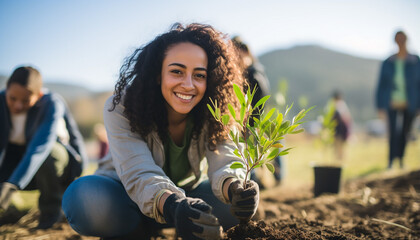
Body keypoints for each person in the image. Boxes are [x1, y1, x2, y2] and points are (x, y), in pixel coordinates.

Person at [62, 23, 260, 239]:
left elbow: (226, 158)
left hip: (186, 198)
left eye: (199, 75)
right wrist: (174, 206)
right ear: (158, 74)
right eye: (177, 71)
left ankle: (179, 221)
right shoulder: (122, 107)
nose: (188, 84)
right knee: (83, 199)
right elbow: (138, 172)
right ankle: (134, 226)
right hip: (126, 197)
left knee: (231, 209)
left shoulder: (217, 109)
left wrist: (235, 189)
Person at [0, 66, 87, 229]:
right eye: (12, 98)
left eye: (25, 101)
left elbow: (39, 148)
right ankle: (8, 209)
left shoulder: (52, 104)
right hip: (15, 162)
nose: (18, 105)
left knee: (50, 154)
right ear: (6, 90)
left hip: (50, 165)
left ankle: (51, 213)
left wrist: (12, 185)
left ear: (39, 95)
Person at [231, 36, 283, 187]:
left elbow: (258, 99)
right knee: (263, 151)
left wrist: (249, 121)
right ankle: (269, 179)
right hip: (258, 119)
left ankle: (259, 181)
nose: (237, 60)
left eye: (238, 55)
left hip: (254, 121)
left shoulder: (252, 74)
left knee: (253, 152)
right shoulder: (258, 70)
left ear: (246, 53)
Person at [375, 30, 420, 169]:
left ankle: (401, 160)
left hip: (410, 102)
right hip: (392, 101)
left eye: (402, 40)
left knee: (405, 132)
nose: (400, 43)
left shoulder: (415, 61)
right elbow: (381, 84)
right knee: (393, 132)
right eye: (398, 40)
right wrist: (380, 105)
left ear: (406, 40)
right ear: (395, 41)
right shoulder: (389, 61)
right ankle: (390, 161)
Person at [330, 91, 352, 161]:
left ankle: (339, 159)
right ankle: (339, 159)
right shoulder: (339, 105)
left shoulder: (338, 105)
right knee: (338, 145)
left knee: (338, 145)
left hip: (339, 128)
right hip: (338, 128)